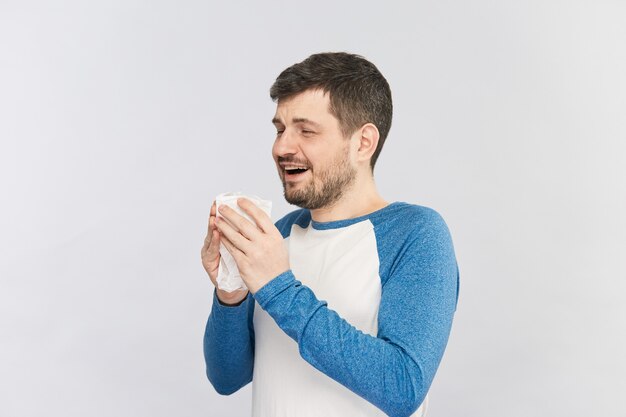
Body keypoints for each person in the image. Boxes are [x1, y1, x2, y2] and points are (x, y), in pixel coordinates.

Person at [201, 52, 459, 417]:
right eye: (279, 129)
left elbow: (403, 386)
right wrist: (231, 292)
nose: (281, 148)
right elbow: (227, 378)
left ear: (363, 143)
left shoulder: (415, 234)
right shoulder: (279, 236)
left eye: (306, 131)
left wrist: (277, 286)